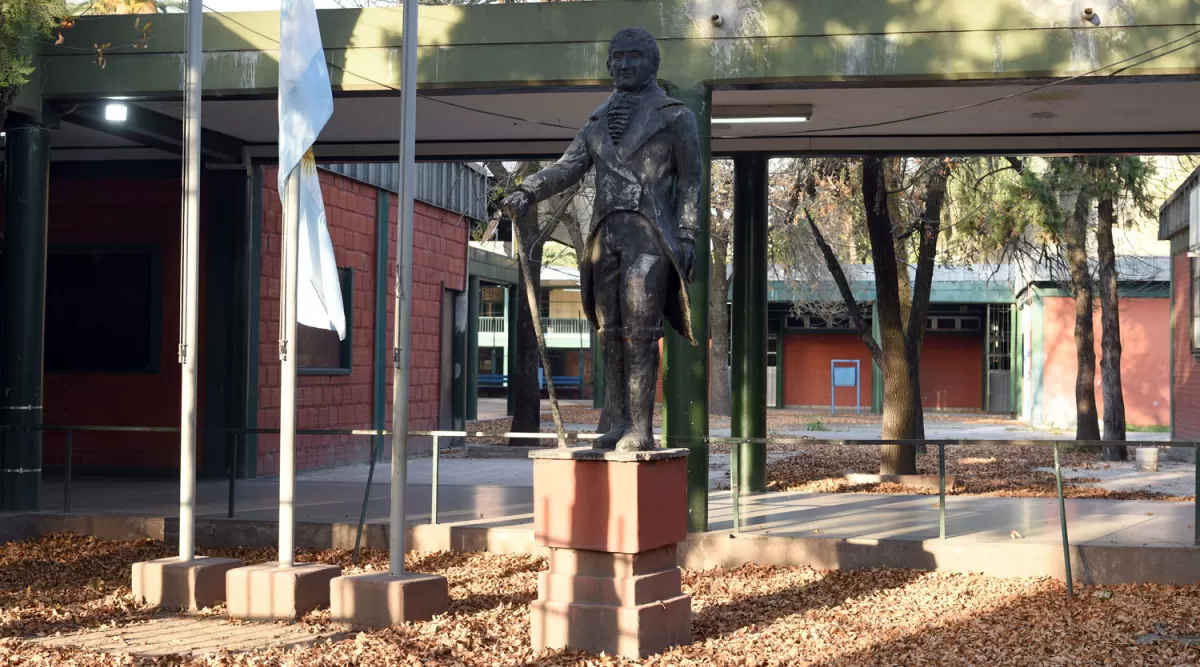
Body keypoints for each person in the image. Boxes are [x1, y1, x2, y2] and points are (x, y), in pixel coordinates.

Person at [501, 26, 702, 452]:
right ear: (609, 64)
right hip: (604, 237)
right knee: (610, 332)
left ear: (652, 64)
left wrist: (687, 235)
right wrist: (527, 190)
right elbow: (566, 167)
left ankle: (641, 429)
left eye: (634, 56)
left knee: (641, 332)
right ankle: (616, 421)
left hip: (650, 236)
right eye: (618, 57)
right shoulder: (595, 122)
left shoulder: (675, 116)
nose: (625, 64)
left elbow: (691, 183)